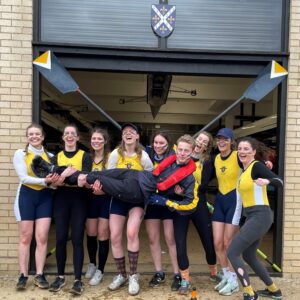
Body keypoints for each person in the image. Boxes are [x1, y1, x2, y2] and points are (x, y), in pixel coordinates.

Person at [227, 137, 283, 300]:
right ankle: (274, 290)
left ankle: (250, 293)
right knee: (249, 255)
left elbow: (279, 181)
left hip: (260, 216)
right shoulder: (245, 171)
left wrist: (268, 180)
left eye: (246, 149)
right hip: (252, 216)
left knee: (232, 252)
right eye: (240, 149)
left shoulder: (256, 166)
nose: (242, 151)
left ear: (253, 152)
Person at [105, 123, 153, 296]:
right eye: (125, 132)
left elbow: (150, 178)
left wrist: (144, 194)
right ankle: (121, 275)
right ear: (122, 136)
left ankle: (133, 275)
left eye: (132, 132)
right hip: (117, 199)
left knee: (132, 233)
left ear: (138, 136)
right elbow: (107, 176)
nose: (128, 134)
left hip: (136, 201)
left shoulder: (144, 157)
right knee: (115, 236)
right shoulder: (114, 155)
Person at [13, 123, 59, 290]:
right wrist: (45, 181)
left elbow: (53, 185)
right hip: (26, 196)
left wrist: (54, 182)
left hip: (44, 198)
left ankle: (39, 274)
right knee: (25, 237)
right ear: (27, 137)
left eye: (37, 134)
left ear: (42, 136)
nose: (34, 137)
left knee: (42, 237)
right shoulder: (21, 153)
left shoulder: (51, 156)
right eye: (31, 134)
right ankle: (23, 275)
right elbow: (23, 178)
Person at [49, 124, 92, 295]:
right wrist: (68, 176)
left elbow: (84, 178)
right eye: (66, 133)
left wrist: (64, 176)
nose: (69, 136)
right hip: (61, 200)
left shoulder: (85, 155)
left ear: (77, 137)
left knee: (76, 240)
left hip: (79, 200)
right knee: (60, 239)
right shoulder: (55, 156)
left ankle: (77, 280)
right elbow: (53, 180)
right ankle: (60, 277)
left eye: (72, 134)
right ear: (63, 137)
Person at [172, 131, 217, 295]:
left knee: (207, 238)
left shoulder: (207, 161)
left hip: (199, 204)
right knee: (180, 242)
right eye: (200, 139)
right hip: (181, 205)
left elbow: (204, 185)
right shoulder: (182, 156)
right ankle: (185, 279)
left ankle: (214, 272)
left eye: (205, 141)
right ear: (194, 140)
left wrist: (187, 189)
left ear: (207, 146)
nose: (201, 142)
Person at [144, 131, 181, 291]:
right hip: (152, 201)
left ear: (168, 144)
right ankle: (159, 272)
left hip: (168, 200)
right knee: (153, 238)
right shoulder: (146, 155)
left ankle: (177, 273)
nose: (158, 146)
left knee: (170, 238)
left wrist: (179, 192)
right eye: (156, 143)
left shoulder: (174, 158)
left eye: (162, 143)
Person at [212, 128, 242, 296]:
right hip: (220, 200)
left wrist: (266, 164)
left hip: (234, 200)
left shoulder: (238, 155)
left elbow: (253, 164)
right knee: (217, 242)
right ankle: (226, 275)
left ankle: (234, 281)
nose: (221, 142)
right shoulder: (216, 158)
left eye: (225, 139)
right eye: (219, 139)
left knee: (228, 243)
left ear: (231, 141)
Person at [84, 128, 111, 286]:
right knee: (91, 233)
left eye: (99, 139)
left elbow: (114, 179)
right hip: (90, 199)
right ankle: (92, 264)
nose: (96, 141)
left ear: (105, 141)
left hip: (105, 199)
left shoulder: (110, 158)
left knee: (103, 233)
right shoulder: (87, 158)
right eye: (94, 139)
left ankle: (101, 269)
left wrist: (104, 190)